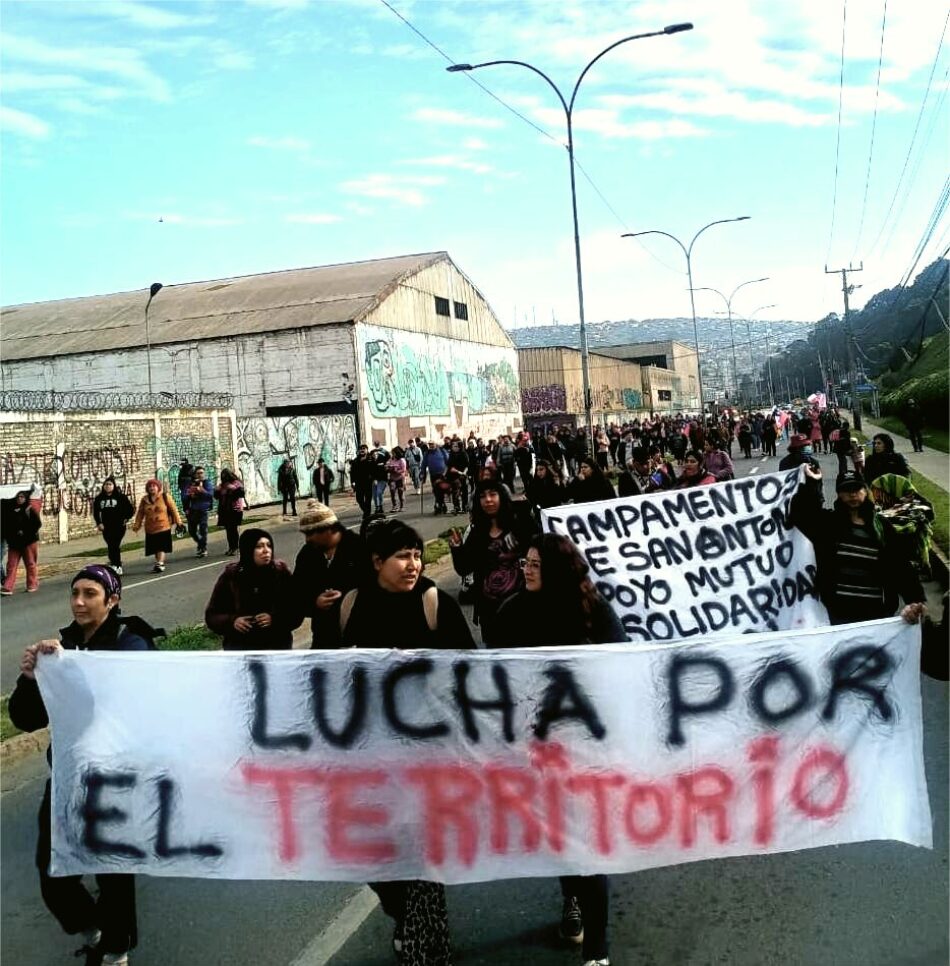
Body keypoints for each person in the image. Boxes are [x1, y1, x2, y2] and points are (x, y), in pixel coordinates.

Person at [9, 564, 161, 965]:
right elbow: (27, 719)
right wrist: (31, 677)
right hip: (68, 775)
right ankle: (92, 925)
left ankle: (115, 947)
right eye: (75, 593)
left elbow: (131, 700)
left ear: (112, 599)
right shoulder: (63, 648)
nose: (78, 602)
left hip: (115, 777)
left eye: (90, 593)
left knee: (112, 867)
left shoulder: (133, 644)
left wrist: (71, 671)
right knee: (52, 869)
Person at [340, 519, 474, 966]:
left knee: (419, 856)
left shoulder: (435, 603)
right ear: (377, 562)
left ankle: (426, 948)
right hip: (370, 757)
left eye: (416, 554)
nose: (413, 564)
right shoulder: (351, 606)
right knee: (370, 855)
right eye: (402, 556)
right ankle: (404, 918)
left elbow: (469, 672)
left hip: (427, 755)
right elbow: (327, 677)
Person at [496, 534, 625, 966]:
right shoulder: (511, 612)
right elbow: (494, 677)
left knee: (586, 841)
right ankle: (571, 897)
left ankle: (597, 948)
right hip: (535, 749)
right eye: (525, 562)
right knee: (559, 837)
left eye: (535, 563)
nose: (526, 569)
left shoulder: (595, 611)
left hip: (586, 749)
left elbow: (625, 667)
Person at [791, 467, 926, 626]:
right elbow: (801, 513)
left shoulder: (882, 527)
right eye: (846, 490)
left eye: (856, 489)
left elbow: (900, 566)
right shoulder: (828, 524)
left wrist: (915, 600)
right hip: (837, 615)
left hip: (876, 614)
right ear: (839, 494)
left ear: (865, 490)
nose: (852, 494)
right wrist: (814, 482)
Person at [449, 480, 530, 645]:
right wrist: (457, 548)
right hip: (490, 612)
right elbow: (464, 568)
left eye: (493, 494)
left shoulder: (519, 525)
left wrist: (524, 509)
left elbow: (538, 550)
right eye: (483, 496)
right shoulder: (477, 533)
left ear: (502, 497)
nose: (488, 500)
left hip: (522, 608)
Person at [205, 528, 301, 649]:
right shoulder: (232, 576)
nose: (266, 551)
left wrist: (275, 619)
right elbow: (212, 615)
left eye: (269, 546)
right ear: (248, 549)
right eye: (259, 547)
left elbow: (296, 609)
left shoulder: (280, 573)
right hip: (241, 649)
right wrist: (233, 622)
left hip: (276, 647)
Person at [293, 501, 366, 647]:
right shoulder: (307, 554)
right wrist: (315, 602)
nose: (307, 539)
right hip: (323, 637)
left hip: (359, 637)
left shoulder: (359, 548)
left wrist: (346, 598)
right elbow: (296, 591)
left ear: (329, 529)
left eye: (310, 533)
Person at [131, 479, 181, 574]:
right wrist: (137, 525)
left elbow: (174, 510)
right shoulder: (144, 500)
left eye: (154, 486)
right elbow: (140, 513)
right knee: (155, 547)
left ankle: (160, 563)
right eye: (150, 486)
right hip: (150, 528)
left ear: (158, 487)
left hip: (163, 526)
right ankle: (159, 563)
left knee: (161, 546)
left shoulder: (165, 497)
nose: (152, 488)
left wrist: (179, 522)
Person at [1, 488, 42, 594]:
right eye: (18, 496)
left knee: (30, 564)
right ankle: (8, 587)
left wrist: (25, 532)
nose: (19, 499)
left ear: (26, 498)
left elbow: (37, 524)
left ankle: (32, 584)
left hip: (28, 542)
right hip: (14, 543)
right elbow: (6, 526)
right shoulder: (10, 509)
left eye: (22, 497)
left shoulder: (28, 509)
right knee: (11, 565)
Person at [92, 476, 134, 575]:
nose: (108, 486)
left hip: (119, 525)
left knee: (115, 544)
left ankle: (118, 565)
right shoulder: (99, 498)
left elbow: (130, 509)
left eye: (110, 484)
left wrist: (126, 518)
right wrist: (99, 523)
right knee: (110, 545)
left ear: (114, 486)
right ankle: (114, 563)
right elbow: (96, 512)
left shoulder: (120, 497)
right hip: (106, 526)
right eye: (106, 484)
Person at [183, 466, 214, 559]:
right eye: (198, 473)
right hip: (193, 510)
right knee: (192, 531)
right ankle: (201, 543)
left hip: (203, 510)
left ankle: (203, 548)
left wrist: (201, 490)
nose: (200, 475)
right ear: (195, 474)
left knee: (203, 530)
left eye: (201, 473)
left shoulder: (207, 483)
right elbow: (185, 497)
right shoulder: (191, 484)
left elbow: (210, 495)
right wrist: (190, 496)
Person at [214, 468, 245, 556]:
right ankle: (231, 547)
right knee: (228, 530)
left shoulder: (236, 483)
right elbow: (217, 497)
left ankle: (236, 547)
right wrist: (217, 490)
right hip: (225, 510)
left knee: (233, 529)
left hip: (235, 509)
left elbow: (241, 493)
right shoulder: (222, 485)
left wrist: (233, 488)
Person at [386, 446, 407, 512]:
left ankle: (402, 506)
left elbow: (403, 469)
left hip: (400, 478)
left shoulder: (401, 460)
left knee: (400, 492)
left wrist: (396, 470)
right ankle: (394, 506)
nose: (393, 454)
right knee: (392, 491)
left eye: (394, 453)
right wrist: (388, 468)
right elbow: (387, 465)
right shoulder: (391, 460)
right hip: (392, 478)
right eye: (392, 453)